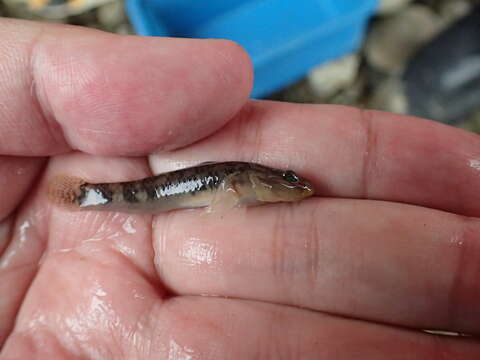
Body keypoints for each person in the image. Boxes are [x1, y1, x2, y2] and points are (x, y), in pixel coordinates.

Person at [0, 18, 479, 359]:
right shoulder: (241, 182)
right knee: (126, 193)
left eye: (292, 183)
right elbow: (227, 193)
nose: (296, 187)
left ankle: (88, 195)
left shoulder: (247, 182)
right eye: (289, 183)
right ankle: (88, 195)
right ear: (253, 184)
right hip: (151, 191)